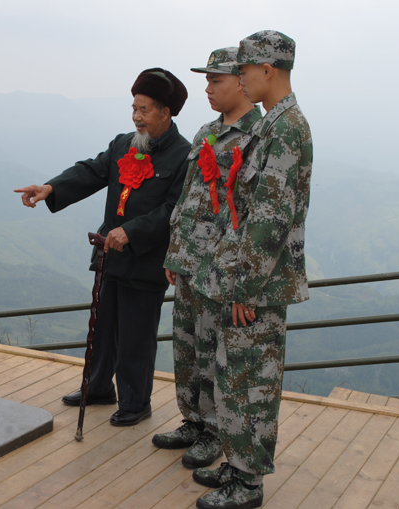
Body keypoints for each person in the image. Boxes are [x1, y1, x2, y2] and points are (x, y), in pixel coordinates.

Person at [14, 68, 191, 426]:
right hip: (110, 253)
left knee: (135, 336)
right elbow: (92, 171)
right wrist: (51, 188)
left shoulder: (183, 157)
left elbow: (174, 210)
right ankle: (97, 388)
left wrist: (132, 231)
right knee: (101, 327)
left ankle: (135, 401)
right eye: (134, 108)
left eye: (143, 110)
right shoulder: (124, 143)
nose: (136, 117)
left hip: (145, 260)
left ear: (165, 113)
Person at [190, 31, 313, 509]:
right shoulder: (274, 125)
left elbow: (271, 218)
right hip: (244, 276)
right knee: (232, 373)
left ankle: (248, 482)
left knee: (251, 381)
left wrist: (244, 287)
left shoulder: (287, 128)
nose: (240, 77)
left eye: (245, 70)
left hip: (256, 284)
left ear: (269, 70)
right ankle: (236, 464)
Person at [151, 48, 262, 472]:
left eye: (216, 80)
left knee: (217, 353)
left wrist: (240, 275)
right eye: (207, 80)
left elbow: (252, 213)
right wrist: (175, 252)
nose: (207, 88)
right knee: (187, 347)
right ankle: (193, 420)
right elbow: (187, 199)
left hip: (224, 268)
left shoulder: (257, 137)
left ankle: (216, 430)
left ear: (241, 80)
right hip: (191, 263)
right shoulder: (206, 133)